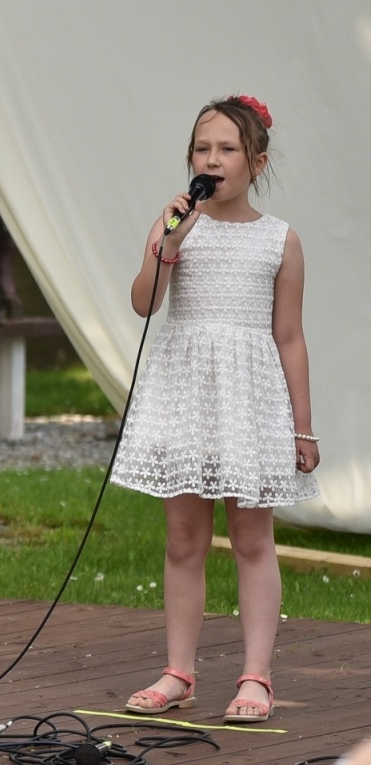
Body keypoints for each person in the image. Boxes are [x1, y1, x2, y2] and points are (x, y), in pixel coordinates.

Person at [112, 95, 317, 725]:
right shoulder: (176, 224)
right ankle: (180, 671)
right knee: (183, 538)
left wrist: (301, 426)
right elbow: (145, 303)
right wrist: (168, 240)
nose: (213, 158)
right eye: (203, 148)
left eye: (227, 149)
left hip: (249, 399)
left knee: (252, 537)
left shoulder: (279, 240)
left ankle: (256, 676)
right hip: (187, 396)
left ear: (256, 162)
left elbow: (289, 336)